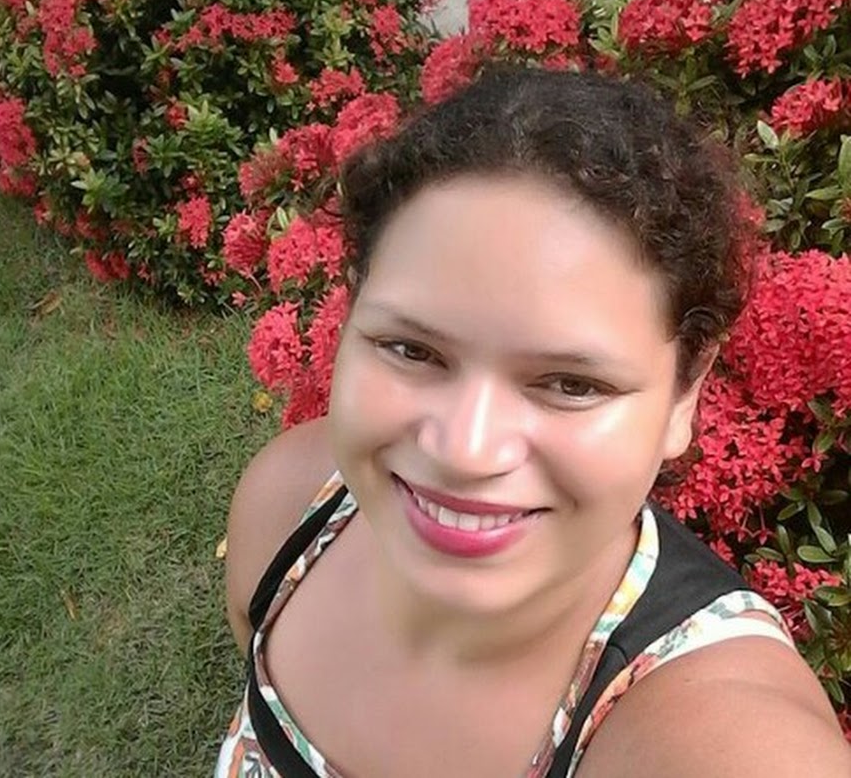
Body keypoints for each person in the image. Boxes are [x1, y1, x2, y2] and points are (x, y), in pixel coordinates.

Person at [216, 67, 850, 777]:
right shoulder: (287, 507)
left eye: (572, 385)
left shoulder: (726, 743)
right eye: (411, 350)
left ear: (684, 393)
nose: (465, 450)